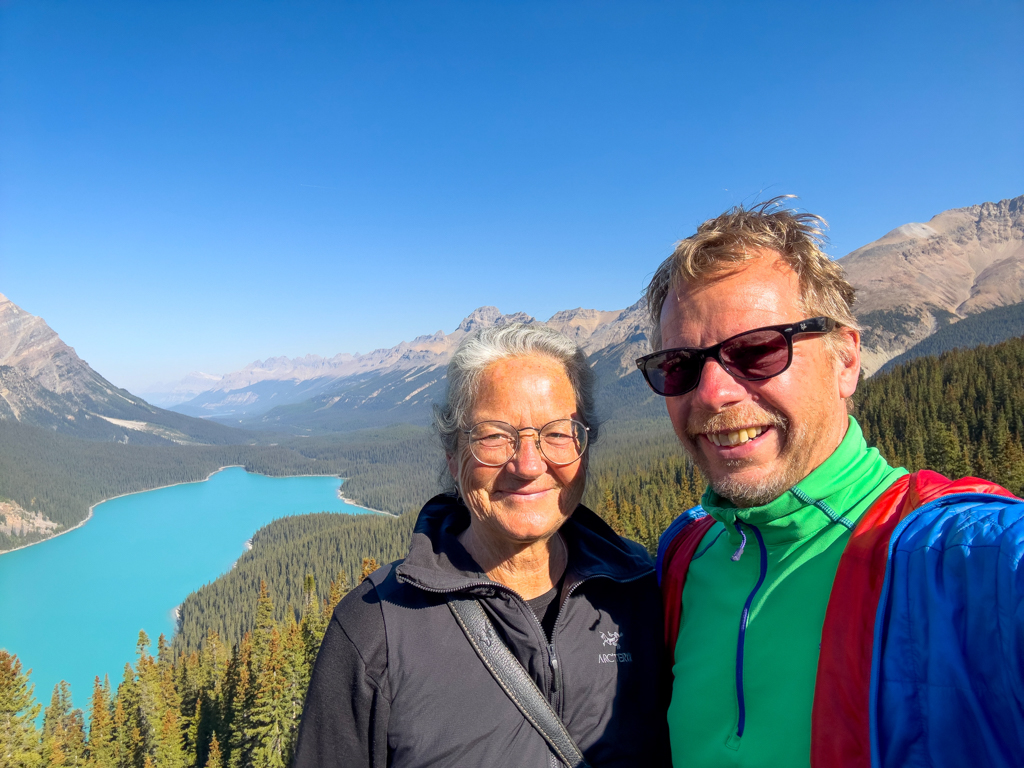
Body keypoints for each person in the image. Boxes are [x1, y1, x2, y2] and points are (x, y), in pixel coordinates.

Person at [638, 198, 1024, 768]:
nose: (712, 393)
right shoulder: (686, 555)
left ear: (845, 360)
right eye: (679, 364)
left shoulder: (959, 557)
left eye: (757, 350)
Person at [294, 323, 670, 768]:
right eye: (493, 435)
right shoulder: (376, 628)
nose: (529, 465)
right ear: (453, 456)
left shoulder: (644, 593)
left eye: (556, 433)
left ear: (584, 447)